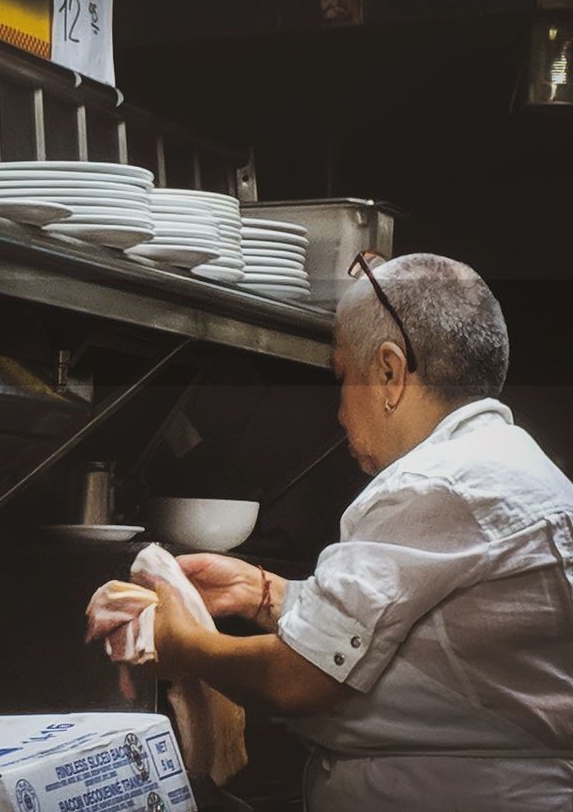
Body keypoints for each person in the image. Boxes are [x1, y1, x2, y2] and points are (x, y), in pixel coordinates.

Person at [141, 253, 573, 810]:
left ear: (391, 372)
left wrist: (186, 648)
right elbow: (414, 636)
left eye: (343, 376)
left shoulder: (432, 483)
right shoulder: (506, 463)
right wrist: (264, 593)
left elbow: (296, 681)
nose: (339, 408)